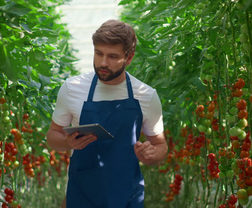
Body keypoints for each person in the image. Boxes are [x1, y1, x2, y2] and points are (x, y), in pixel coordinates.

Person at [46, 19, 168, 208]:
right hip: (82, 194)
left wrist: (152, 154)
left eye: (112, 56)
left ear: (128, 58)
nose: (103, 62)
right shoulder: (72, 88)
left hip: (127, 195)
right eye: (98, 53)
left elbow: (160, 145)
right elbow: (52, 136)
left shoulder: (146, 95)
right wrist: (66, 142)